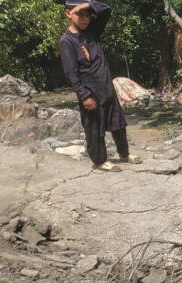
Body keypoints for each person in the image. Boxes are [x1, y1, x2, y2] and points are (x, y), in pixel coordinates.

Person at [58, 0, 140, 171]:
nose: (85, 18)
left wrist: (87, 4)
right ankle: (100, 161)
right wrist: (84, 95)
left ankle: (124, 154)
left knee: (118, 123)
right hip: (90, 91)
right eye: (80, 14)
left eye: (87, 14)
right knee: (94, 128)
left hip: (106, 86)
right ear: (68, 14)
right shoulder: (66, 41)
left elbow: (106, 10)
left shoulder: (92, 32)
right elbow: (71, 73)